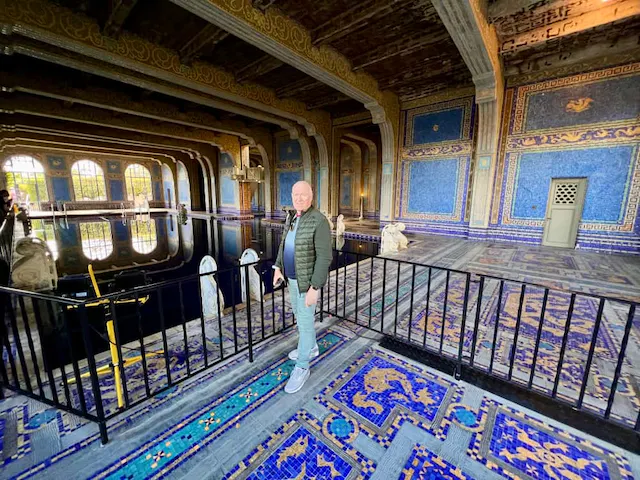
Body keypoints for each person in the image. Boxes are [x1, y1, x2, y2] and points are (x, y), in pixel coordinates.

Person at [273, 181, 332, 393]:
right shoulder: (292, 217)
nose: (299, 198)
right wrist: (278, 267)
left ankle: (302, 367)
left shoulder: (319, 221)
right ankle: (311, 347)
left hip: (307, 283)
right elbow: (285, 244)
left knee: (305, 324)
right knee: (300, 316)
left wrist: (315, 288)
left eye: (303, 195)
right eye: (295, 194)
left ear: (311, 196)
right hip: (292, 279)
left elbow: (325, 257)